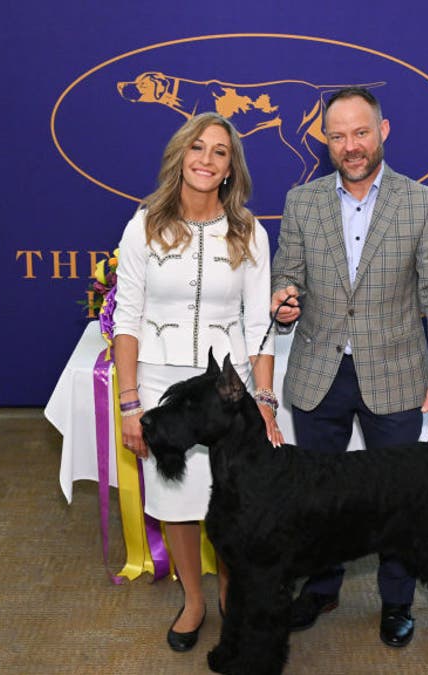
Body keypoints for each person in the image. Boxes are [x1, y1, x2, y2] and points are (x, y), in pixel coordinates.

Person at [270, 87, 428, 648]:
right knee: (316, 500)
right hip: (317, 374)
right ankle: (322, 585)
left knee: (399, 501)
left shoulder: (423, 202)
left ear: (383, 131)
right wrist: (284, 298)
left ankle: (397, 601)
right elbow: (289, 274)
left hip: (398, 373)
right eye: (337, 135)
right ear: (325, 140)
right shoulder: (302, 202)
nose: (350, 146)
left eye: (360, 132)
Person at [113, 112, 284, 653]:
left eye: (220, 152)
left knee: (239, 502)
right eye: (198, 148)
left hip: (226, 394)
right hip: (164, 389)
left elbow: (259, 325)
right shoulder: (143, 225)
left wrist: (264, 400)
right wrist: (130, 403)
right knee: (178, 501)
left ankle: (235, 594)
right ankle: (193, 600)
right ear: (180, 156)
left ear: (231, 168)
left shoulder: (250, 232)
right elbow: (127, 319)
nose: (207, 160)